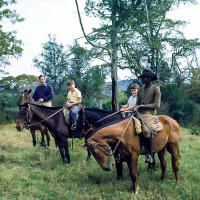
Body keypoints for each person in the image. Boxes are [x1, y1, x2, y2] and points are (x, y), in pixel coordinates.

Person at [134, 69, 161, 164]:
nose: (142, 79)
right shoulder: (140, 90)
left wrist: (142, 106)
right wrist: (135, 108)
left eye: (144, 78)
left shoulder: (155, 89)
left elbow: (157, 105)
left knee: (145, 131)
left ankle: (149, 155)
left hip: (149, 113)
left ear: (149, 78)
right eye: (141, 78)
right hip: (138, 112)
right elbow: (137, 103)